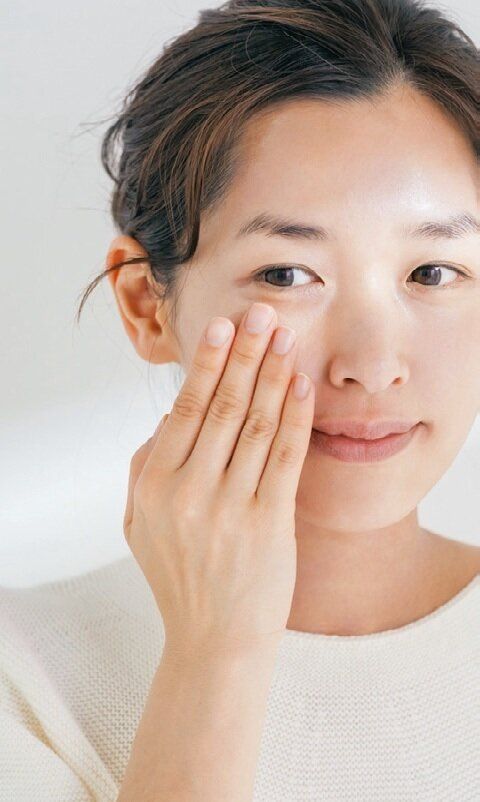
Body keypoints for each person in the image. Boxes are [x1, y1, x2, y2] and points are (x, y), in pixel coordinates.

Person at [1, 0, 479, 799]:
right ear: (147, 305)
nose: (371, 366)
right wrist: (216, 651)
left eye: (433, 273)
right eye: (286, 275)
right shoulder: (24, 678)